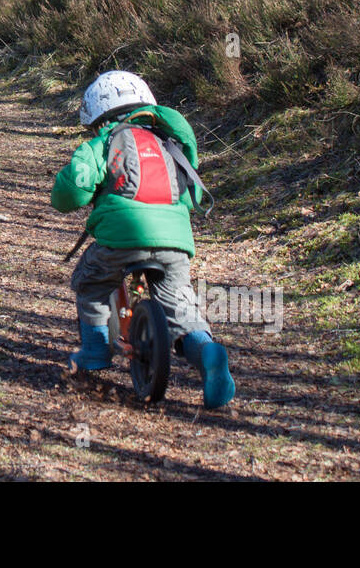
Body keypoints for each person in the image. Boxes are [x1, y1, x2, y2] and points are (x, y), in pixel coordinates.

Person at [50, 70, 235, 409]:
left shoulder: (103, 142)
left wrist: (64, 194)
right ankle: (208, 353)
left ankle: (94, 352)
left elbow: (71, 193)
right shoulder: (170, 143)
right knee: (180, 305)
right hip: (175, 241)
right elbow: (187, 190)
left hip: (121, 238)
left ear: (97, 116)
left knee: (90, 283)